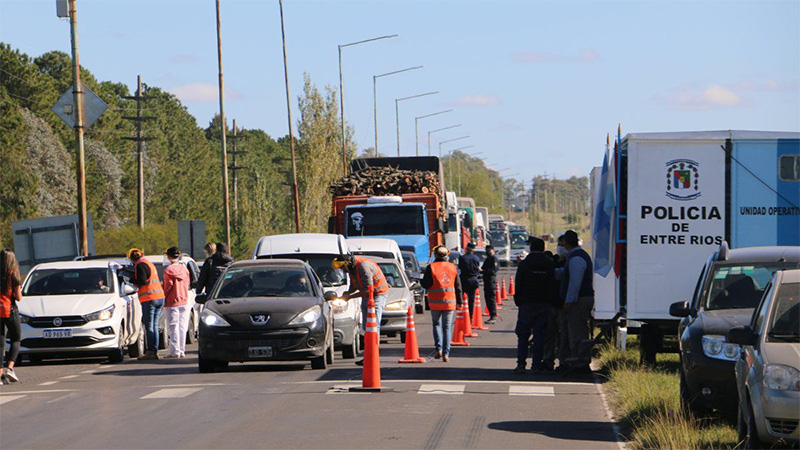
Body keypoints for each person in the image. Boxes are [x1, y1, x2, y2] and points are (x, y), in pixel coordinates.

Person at [332, 254, 390, 366]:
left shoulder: (363, 266)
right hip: (367, 295)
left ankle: (373, 356)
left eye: (342, 268)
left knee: (373, 326)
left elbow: (368, 290)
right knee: (366, 327)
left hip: (378, 294)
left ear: (347, 263)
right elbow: (355, 284)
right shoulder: (352, 269)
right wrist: (348, 292)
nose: (342, 270)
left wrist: (350, 297)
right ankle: (369, 355)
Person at [513, 237, 557, 374]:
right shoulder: (549, 263)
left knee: (523, 335)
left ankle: (521, 364)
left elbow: (518, 283)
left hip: (526, 303)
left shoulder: (525, 264)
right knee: (539, 335)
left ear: (531, 248)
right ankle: (536, 364)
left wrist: (518, 300)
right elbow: (552, 284)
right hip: (543, 303)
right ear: (543, 248)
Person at [556, 230, 595, 374]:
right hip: (580, 299)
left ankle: (581, 363)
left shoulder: (577, 258)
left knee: (577, 332)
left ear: (565, 242)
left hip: (579, 300)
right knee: (574, 331)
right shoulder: (575, 256)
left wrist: (569, 301)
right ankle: (576, 360)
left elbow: (575, 283)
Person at [421, 246, 463, 362]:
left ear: (435, 255)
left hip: (435, 302)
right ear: (447, 255)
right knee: (447, 327)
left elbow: (426, 284)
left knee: (436, 325)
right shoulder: (452, 267)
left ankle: (438, 349)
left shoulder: (431, 267)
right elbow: (458, 286)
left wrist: (420, 280)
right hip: (450, 302)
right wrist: (460, 302)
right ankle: (446, 353)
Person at [128, 248, 166, 360]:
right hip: (159, 297)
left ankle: (151, 352)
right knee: (154, 325)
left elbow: (142, 281)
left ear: (132, 259)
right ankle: (154, 351)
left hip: (150, 298)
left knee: (149, 326)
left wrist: (130, 280)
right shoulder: (149, 263)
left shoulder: (140, 265)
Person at [543, 235, 568, 371]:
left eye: (562, 245)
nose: (560, 248)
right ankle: (548, 360)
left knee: (564, 335)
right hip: (551, 303)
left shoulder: (570, 262)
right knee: (549, 334)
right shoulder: (553, 261)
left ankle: (563, 361)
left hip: (564, 305)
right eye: (559, 245)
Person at [162, 247, 191, 359]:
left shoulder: (168, 270)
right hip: (184, 300)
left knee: (173, 326)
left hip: (172, 301)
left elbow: (167, 286)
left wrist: (163, 295)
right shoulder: (184, 269)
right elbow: (187, 283)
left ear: (169, 257)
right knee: (182, 326)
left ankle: (175, 351)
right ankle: (182, 350)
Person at [0, 250, 23, 383]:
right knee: (16, 338)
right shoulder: (13, 274)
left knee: (0, 343)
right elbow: (18, 298)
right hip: (10, 310)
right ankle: (10, 368)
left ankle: (0, 374)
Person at [458, 243, 481, 321]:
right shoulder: (476, 258)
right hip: (474, 279)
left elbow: (460, 267)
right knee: (472, 298)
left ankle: (464, 315)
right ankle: (470, 316)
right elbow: (477, 267)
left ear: (467, 249)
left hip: (465, 279)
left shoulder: (463, 257)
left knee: (464, 297)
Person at [481, 244, 499, 324]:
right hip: (487, 281)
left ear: (492, 250)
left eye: (489, 251)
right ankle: (491, 315)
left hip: (491, 282)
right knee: (487, 299)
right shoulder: (488, 259)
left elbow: (493, 271)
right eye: (486, 251)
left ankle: (493, 316)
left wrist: (483, 271)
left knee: (491, 299)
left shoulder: (494, 259)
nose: (487, 252)